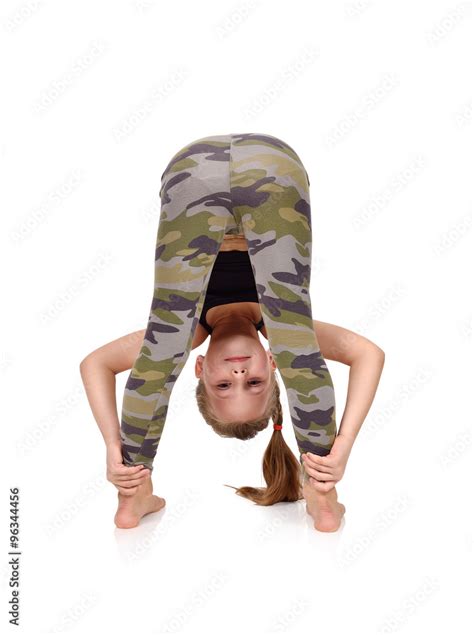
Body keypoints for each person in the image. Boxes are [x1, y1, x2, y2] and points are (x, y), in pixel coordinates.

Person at [79, 133, 385, 531]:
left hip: (193, 172)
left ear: (200, 368)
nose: (239, 376)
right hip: (273, 166)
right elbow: (369, 355)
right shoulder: (281, 334)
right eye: (256, 383)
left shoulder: (186, 335)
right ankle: (322, 493)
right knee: (299, 348)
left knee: (160, 352)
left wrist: (113, 447)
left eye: (223, 387)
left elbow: (95, 364)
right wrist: (340, 446)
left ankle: (133, 493)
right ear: (272, 364)